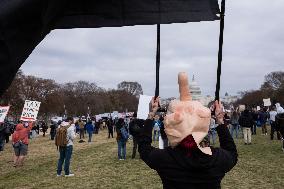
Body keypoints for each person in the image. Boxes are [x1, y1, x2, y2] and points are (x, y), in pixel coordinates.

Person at [134, 72, 237, 188]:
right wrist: (220, 121)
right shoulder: (217, 159)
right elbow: (232, 152)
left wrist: (151, 114)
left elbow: (143, 148)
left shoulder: (165, 158)